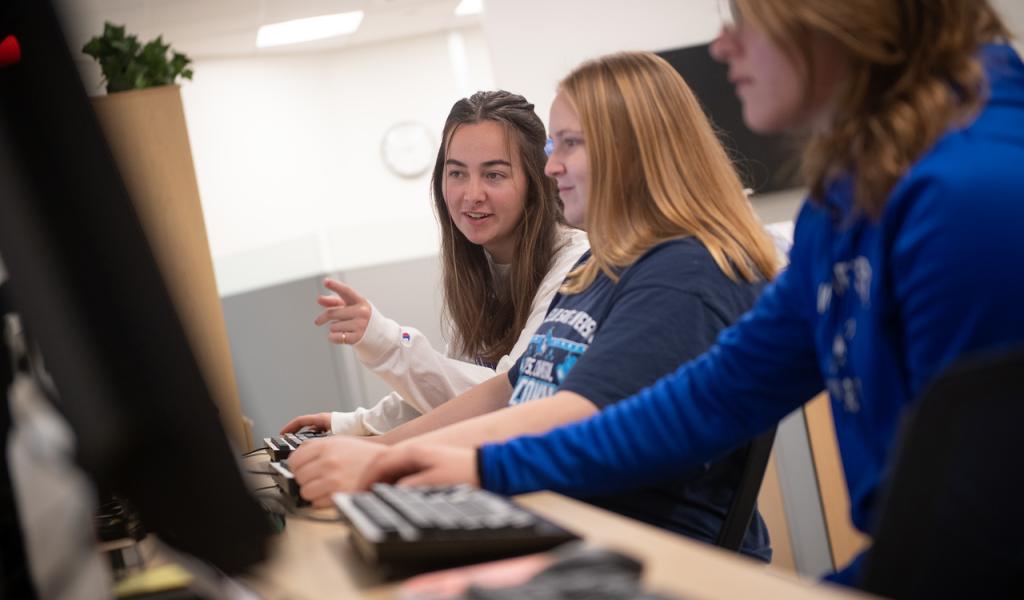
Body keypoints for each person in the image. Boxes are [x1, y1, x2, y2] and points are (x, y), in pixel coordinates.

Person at [362, 0, 1024, 586]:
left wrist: (455, 464)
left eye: (745, 20)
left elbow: (975, 546)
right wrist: (474, 468)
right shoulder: (849, 199)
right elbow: (711, 398)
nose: (722, 48)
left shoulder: (973, 195)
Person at [289, 51, 780, 560]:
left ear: (633, 153)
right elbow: (509, 388)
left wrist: (391, 463)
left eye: (568, 144)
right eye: (553, 145)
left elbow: (569, 413)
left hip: (648, 557)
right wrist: (376, 450)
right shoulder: (600, 270)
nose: (551, 166)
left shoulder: (684, 271)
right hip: (566, 530)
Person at [281, 91, 588, 436]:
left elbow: (508, 395)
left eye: (494, 175)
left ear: (536, 181)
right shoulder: (480, 265)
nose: (472, 194)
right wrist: (352, 425)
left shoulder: (577, 263)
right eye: (457, 173)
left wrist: (388, 343)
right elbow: (450, 398)